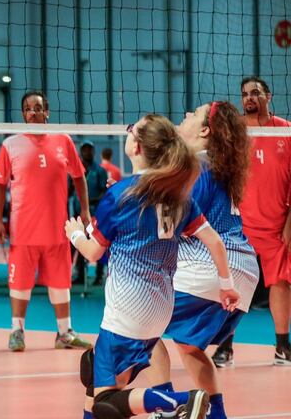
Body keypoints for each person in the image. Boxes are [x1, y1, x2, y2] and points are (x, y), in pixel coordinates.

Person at [67, 114, 240, 419]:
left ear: (136, 147)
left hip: (127, 313)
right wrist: (227, 285)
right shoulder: (176, 195)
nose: (128, 132)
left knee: (105, 401)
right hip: (160, 311)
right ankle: (173, 401)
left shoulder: (119, 195)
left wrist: (75, 234)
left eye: (132, 129)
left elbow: (93, 253)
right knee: (93, 376)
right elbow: (214, 241)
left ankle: (177, 401)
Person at [147, 101, 259, 419]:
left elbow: (171, 226)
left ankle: (165, 407)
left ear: (205, 130)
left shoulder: (195, 166)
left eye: (194, 114)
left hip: (210, 269)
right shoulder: (219, 168)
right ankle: (216, 414)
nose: (184, 116)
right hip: (245, 272)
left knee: (144, 327)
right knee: (189, 346)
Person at [0, 91, 93, 352]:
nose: (33, 112)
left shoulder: (64, 140)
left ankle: (64, 333)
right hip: (23, 228)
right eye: (27, 109)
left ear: (47, 111)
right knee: (20, 282)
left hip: (58, 228)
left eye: (37, 108)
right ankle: (17, 330)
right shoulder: (10, 144)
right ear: (23, 114)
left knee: (61, 281)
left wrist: (85, 211)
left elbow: (79, 177)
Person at [213, 76, 291, 367]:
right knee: (233, 286)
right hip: (238, 225)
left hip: (276, 225)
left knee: (281, 283)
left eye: (255, 93)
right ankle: (225, 346)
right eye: (245, 94)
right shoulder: (234, 133)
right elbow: (221, 174)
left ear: (268, 96)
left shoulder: (286, 131)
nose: (249, 98)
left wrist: (290, 222)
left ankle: (283, 347)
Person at [72, 141, 110, 286]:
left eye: (89, 149)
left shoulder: (100, 171)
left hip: (95, 215)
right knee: (79, 242)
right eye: (84, 149)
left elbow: (105, 192)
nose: (87, 152)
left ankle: (99, 275)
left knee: (98, 243)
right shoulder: (76, 170)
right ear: (81, 152)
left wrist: (88, 202)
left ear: (94, 152)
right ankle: (80, 274)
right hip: (78, 215)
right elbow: (70, 189)